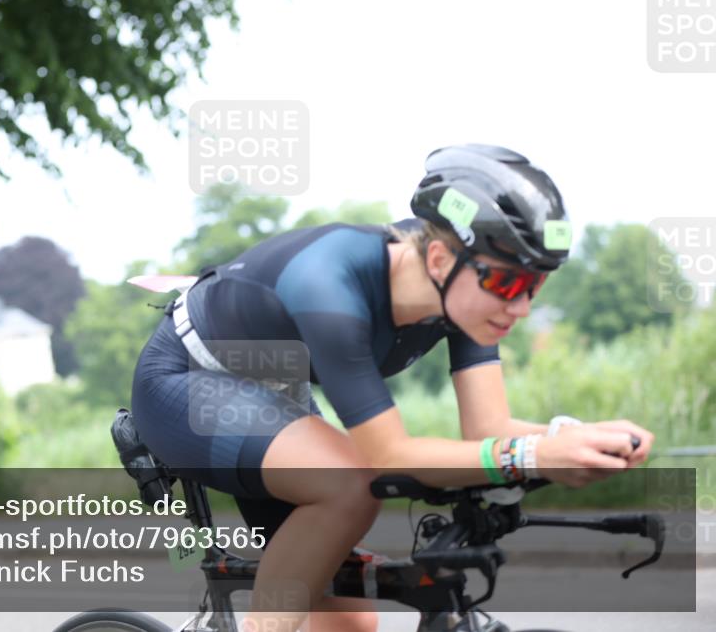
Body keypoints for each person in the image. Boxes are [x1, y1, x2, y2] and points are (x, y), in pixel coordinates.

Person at [130, 144, 655, 632]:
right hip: (187, 381)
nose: (521, 308)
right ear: (440, 260)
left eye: (534, 287)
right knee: (351, 485)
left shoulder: (463, 299)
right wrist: (535, 453)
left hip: (271, 390)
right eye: (508, 284)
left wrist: (575, 438)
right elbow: (388, 456)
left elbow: (490, 431)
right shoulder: (327, 281)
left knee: (352, 624)